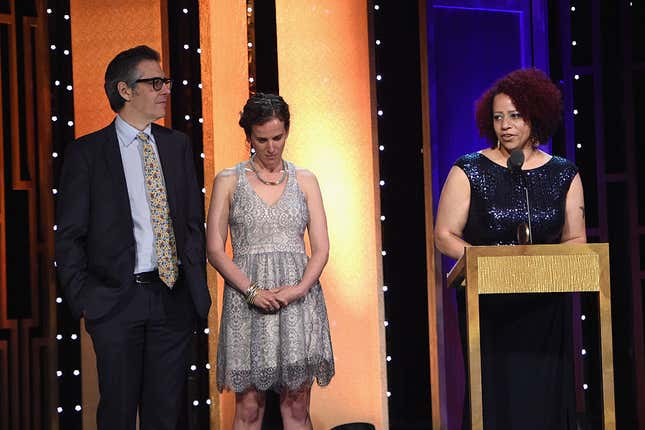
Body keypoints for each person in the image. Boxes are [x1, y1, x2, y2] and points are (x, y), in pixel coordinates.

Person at [55, 45, 210, 429]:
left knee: (167, 415)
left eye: (165, 81)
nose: (165, 89)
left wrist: (193, 287)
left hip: (172, 299)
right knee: (118, 412)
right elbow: (69, 236)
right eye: (155, 82)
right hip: (115, 302)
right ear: (125, 91)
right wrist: (87, 300)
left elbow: (192, 221)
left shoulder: (176, 145)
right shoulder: (86, 153)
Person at [434, 68, 586, 429]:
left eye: (515, 115)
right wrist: (485, 263)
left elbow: (575, 240)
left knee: (543, 400)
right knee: (498, 399)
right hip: (490, 306)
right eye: (498, 116)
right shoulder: (469, 169)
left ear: (536, 115)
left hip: (545, 308)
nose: (506, 125)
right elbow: (444, 234)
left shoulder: (564, 173)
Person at [207, 93, 335, 429]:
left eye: (278, 137)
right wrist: (252, 291)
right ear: (248, 136)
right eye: (261, 139)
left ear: (287, 132)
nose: (270, 147)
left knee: (296, 409)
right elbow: (215, 249)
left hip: (298, 301)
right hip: (247, 302)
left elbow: (321, 248)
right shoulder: (228, 180)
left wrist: (296, 290)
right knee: (248, 409)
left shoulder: (305, 180)